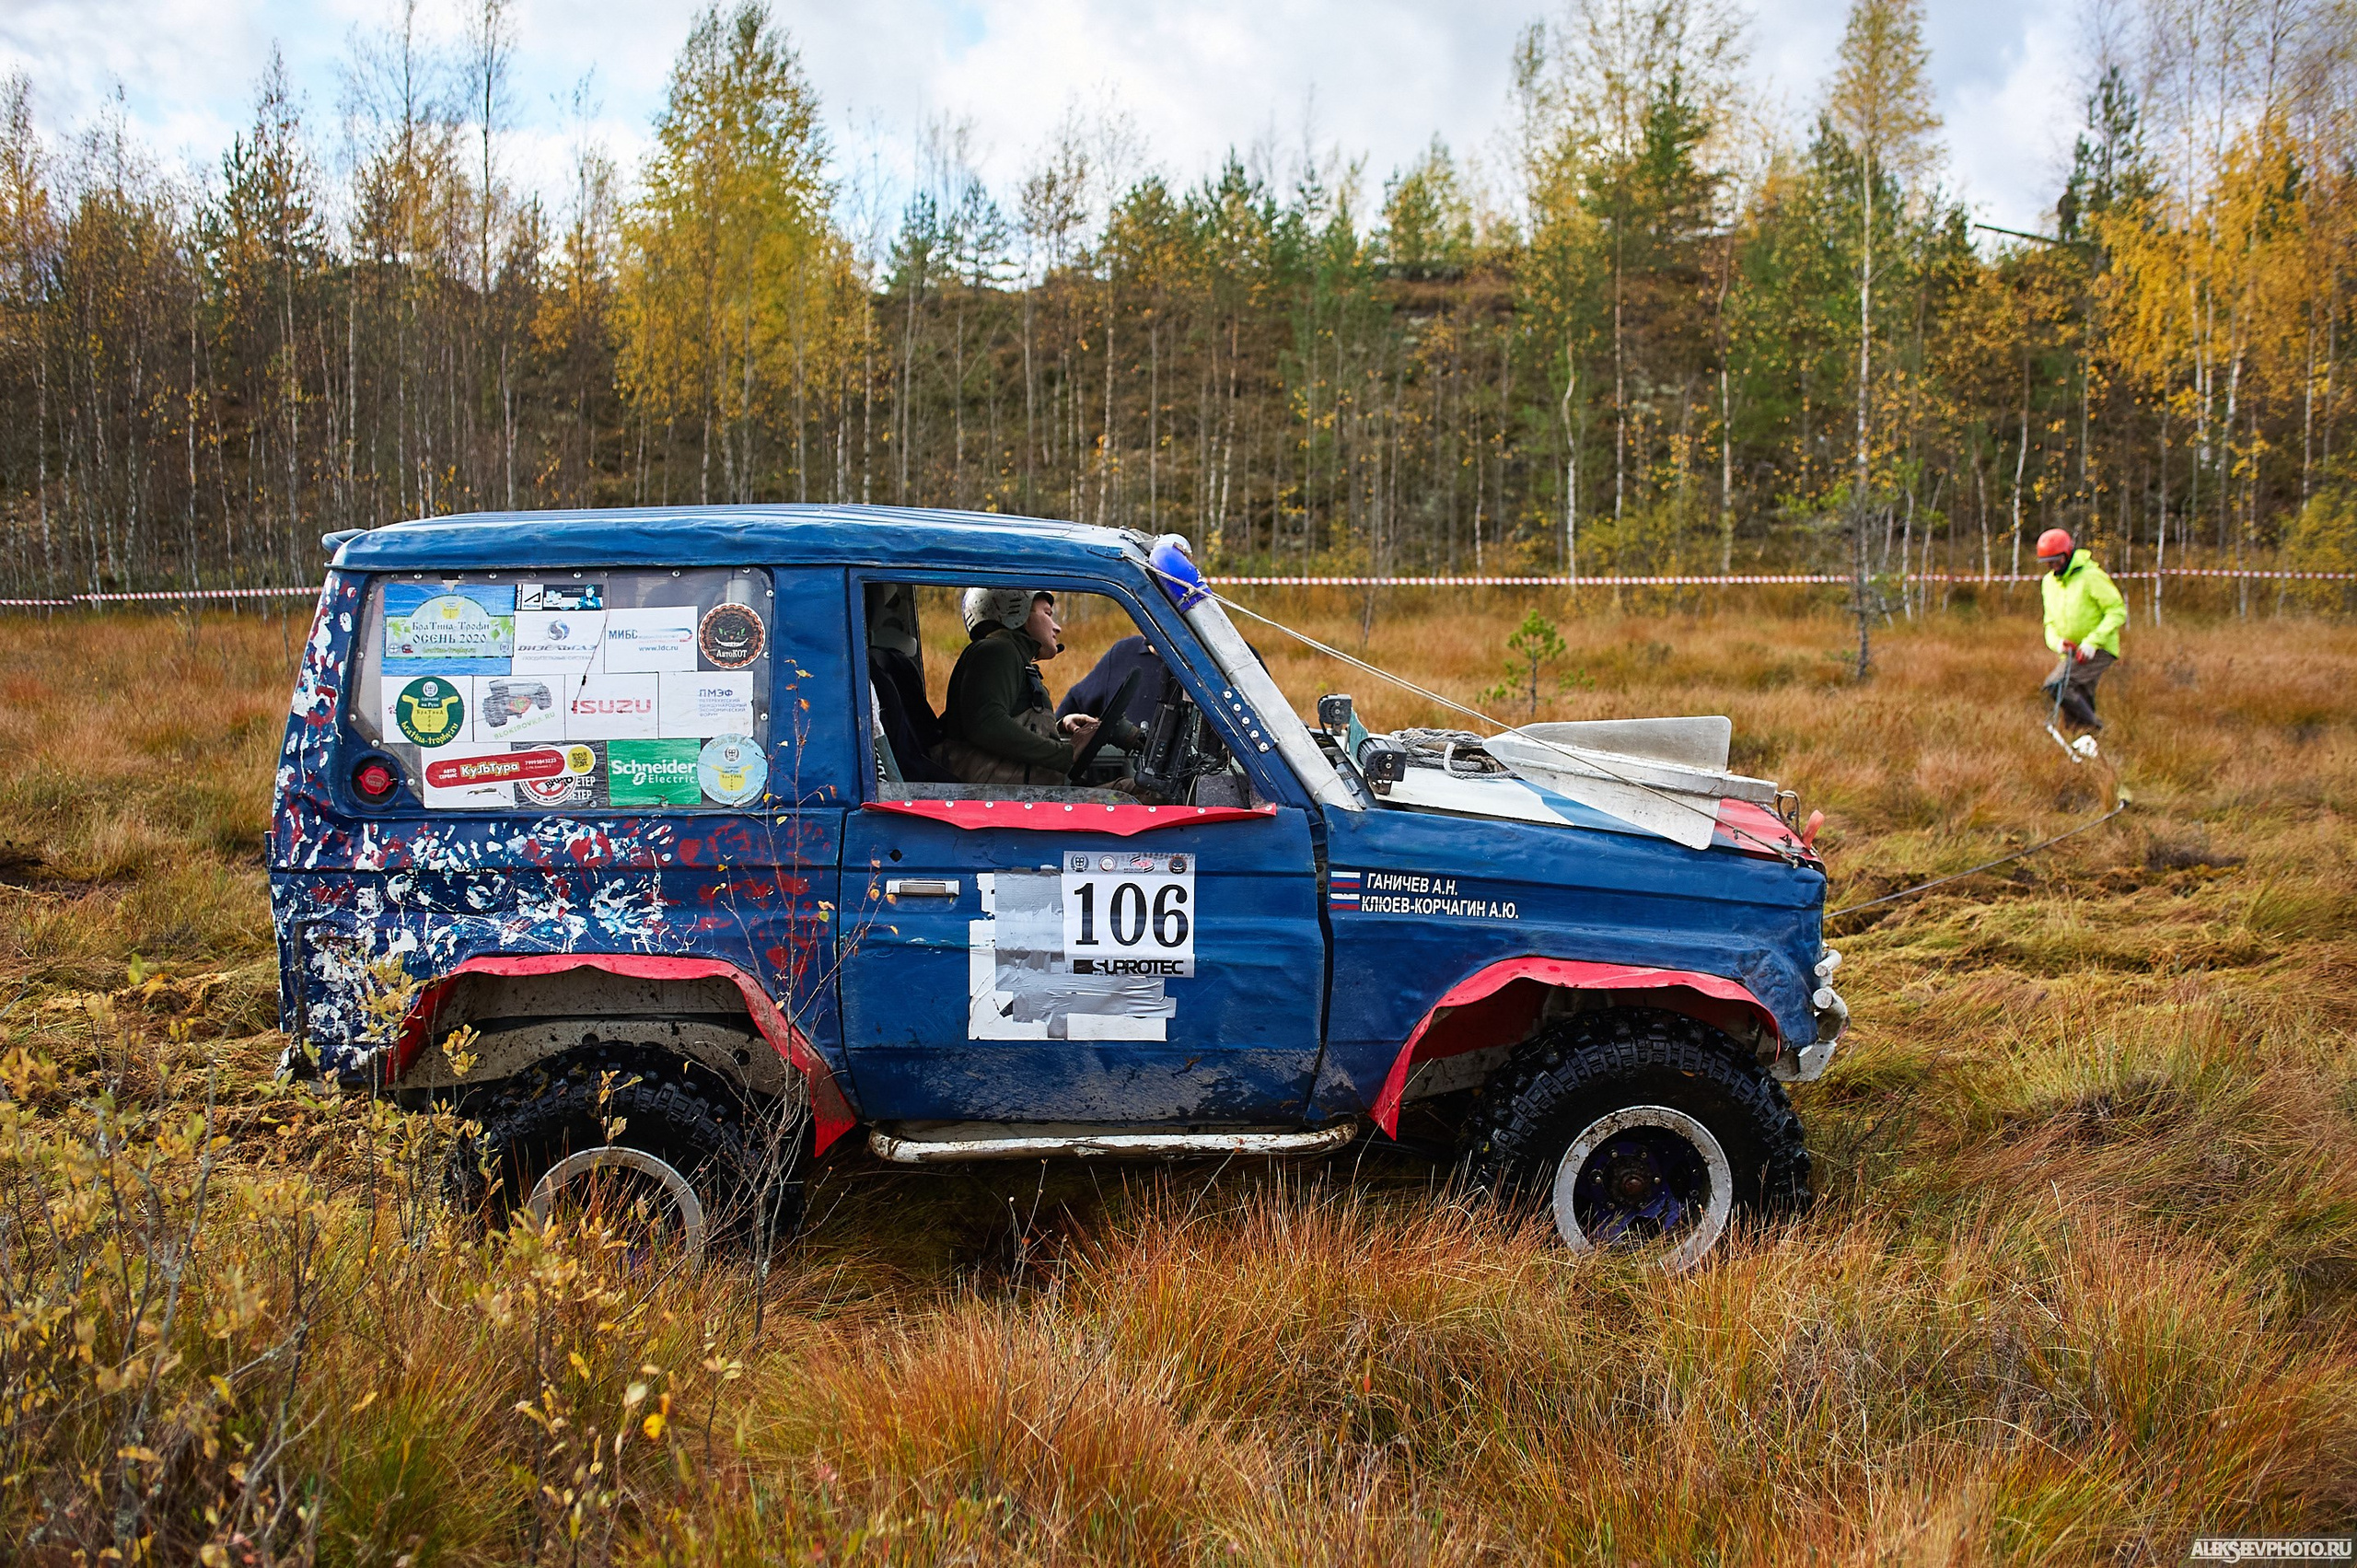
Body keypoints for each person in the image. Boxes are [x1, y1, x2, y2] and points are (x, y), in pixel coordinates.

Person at [934, 587, 1143, 787]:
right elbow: (986, 723)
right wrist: (1065, 754)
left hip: (1019, 793)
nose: (1057, 627)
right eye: (1048, 613)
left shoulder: (1011, 656)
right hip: (1005, 800)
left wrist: (1057, 727)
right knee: (1145, 793)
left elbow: (1000, 722)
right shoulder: (998, 650)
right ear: (1016, 613)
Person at [2037, 528, 2126, 733]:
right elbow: (2049, 622)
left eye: (2056, 560)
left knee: (2057, 684)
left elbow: (2117, 611)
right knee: (2079, 699)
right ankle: (2084, 745)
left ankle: (2095, 729)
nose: (2051, 566)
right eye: (2047, 562)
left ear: (2067, 554)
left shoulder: (2091, 576)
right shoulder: (2048, 583)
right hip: (2071, 651)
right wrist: (2058, 643)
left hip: (2100, 648)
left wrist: (2092, 642)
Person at [1057, 634, 1167, 731]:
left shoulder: (1183, 662)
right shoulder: (1123, 653)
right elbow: (1073, 706)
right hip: (1126, 754)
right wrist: (1063, 723)